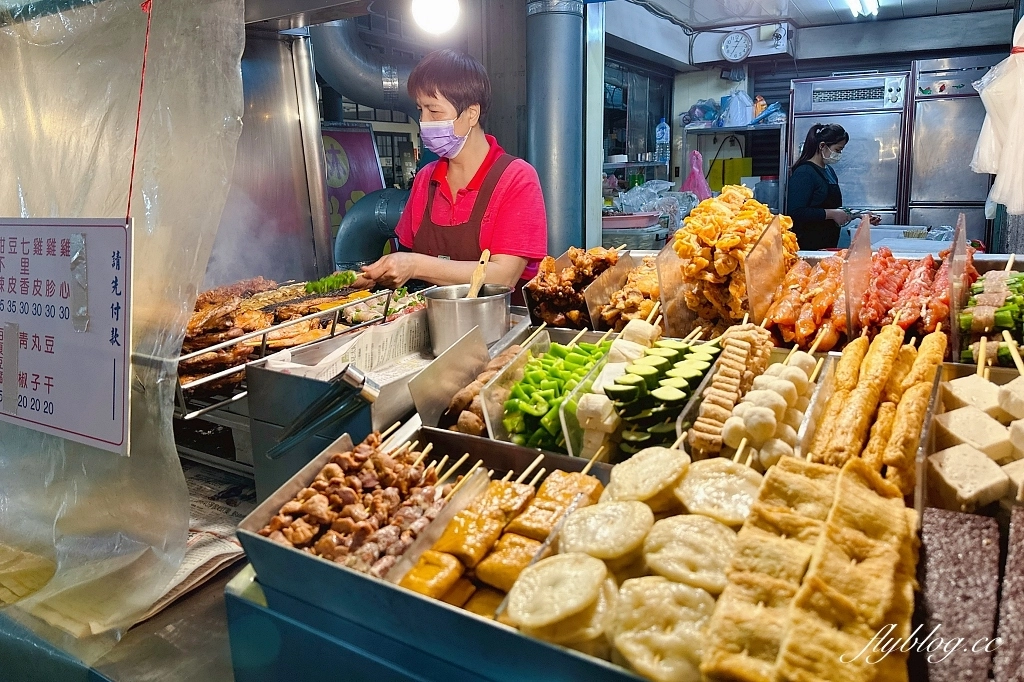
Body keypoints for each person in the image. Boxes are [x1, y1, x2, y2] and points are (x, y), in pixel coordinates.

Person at [355, 49, 548, 295]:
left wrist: (416, 265)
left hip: (503, 325)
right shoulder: (426, 179)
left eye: (434, 111)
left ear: (471, 113)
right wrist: (374, 275)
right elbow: (405, 257)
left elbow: (504, 275)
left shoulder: (516, 178)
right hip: (435, 322)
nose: (424, 121)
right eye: (420, 110)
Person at [787, 123, 880, 251]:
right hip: (808, 246)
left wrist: (859, 214)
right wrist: (831, 214)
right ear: (822, 146)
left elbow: (834, 207)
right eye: (837, 150)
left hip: (827, 243)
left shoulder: (829, 171)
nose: (839, 154)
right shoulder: (804, 173)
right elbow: (795, 212)